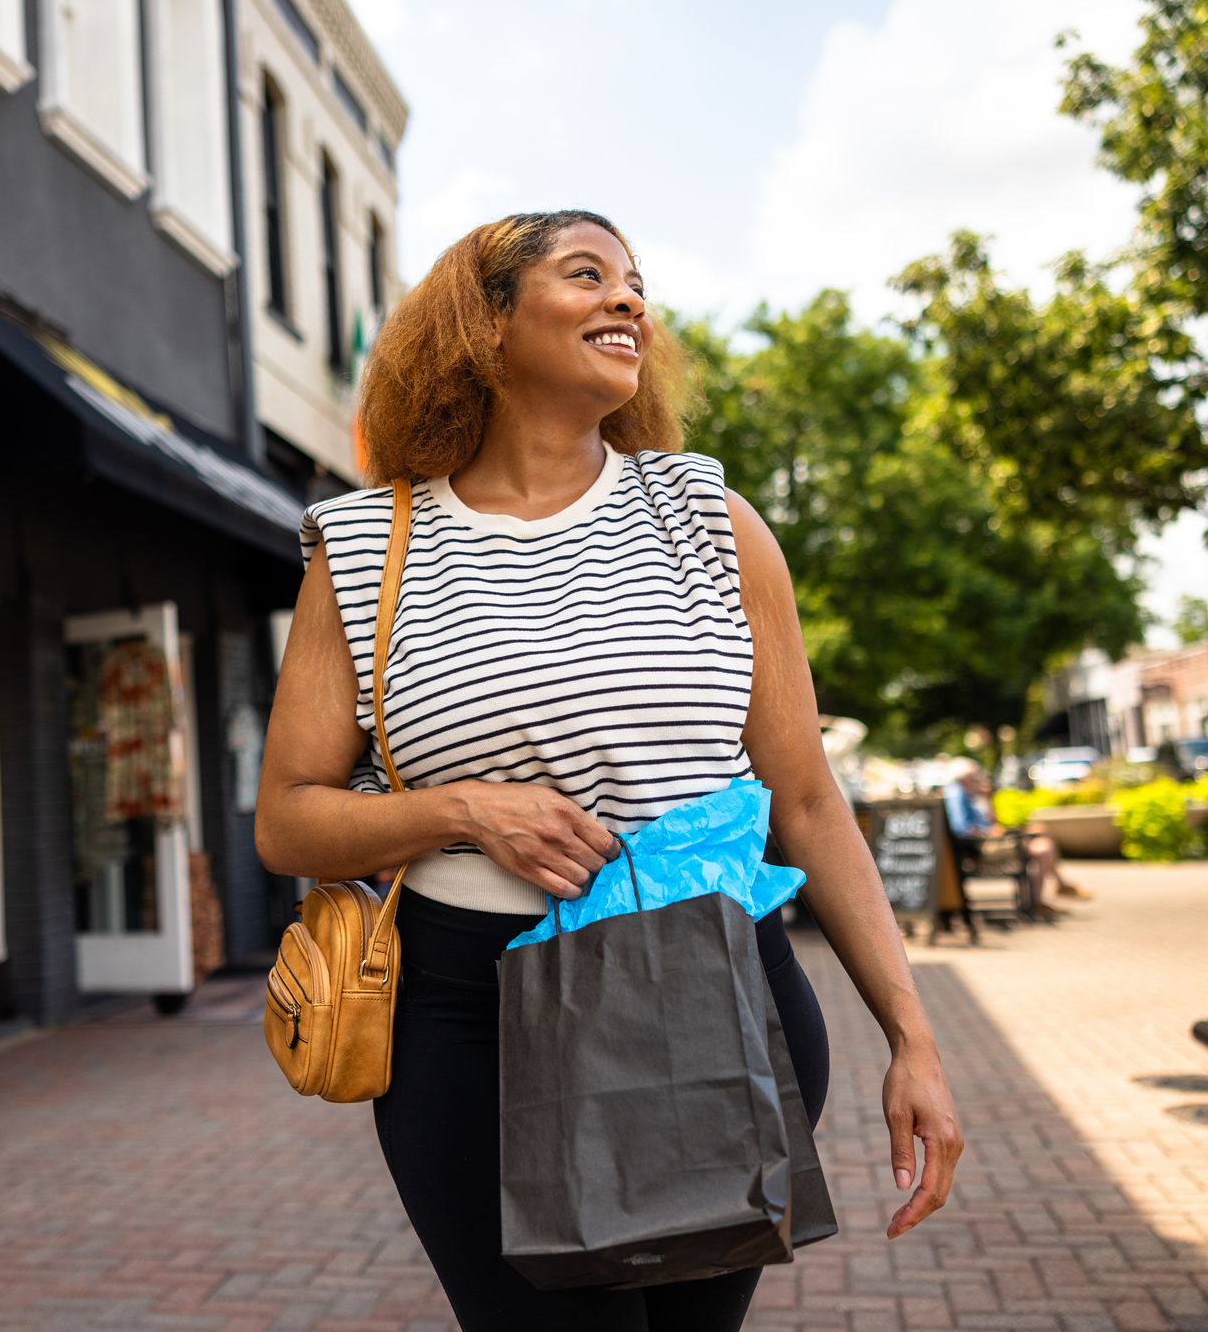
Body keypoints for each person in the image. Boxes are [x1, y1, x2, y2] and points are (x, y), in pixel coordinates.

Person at [256, 211, 964, 1331]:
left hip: (709, 995)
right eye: (583, 275)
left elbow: (810, 799)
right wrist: (458, 810)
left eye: (635, 282)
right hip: (462, 1017)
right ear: (483, 325)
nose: (626, 300)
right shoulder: (366, 549)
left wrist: (911, 1039)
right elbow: (285, 822)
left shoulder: (712, 522)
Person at [942, 762, 1084, 917]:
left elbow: (991, 820)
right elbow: (961, 829)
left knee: (1039, 829)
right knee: (1043, 848)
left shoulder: (969, 793)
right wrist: (988, 833)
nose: (978, 779)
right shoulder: (956, 793)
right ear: (964, 777)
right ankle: (1040, 900)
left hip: (988, 842)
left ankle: (1056, 888)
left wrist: (985, 798)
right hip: (981, 848)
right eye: (975, 775)